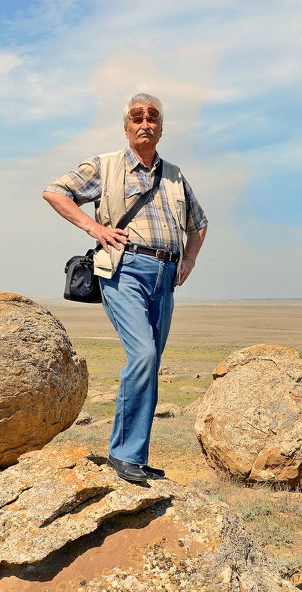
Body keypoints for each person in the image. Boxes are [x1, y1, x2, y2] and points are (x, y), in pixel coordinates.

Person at [43, 92, 208, 483]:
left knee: (150, 366)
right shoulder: (106, 166)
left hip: (166, 276)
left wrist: (189, 259)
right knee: (144, 355)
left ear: (162, 128)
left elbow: (199, 222)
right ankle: (123, 453)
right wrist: (94, 228)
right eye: (137, 117)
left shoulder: (174, 174)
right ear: (127, 126)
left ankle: (136, 455)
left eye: (153, 117)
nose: (145, 123)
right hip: (124, 269)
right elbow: (54, 191)